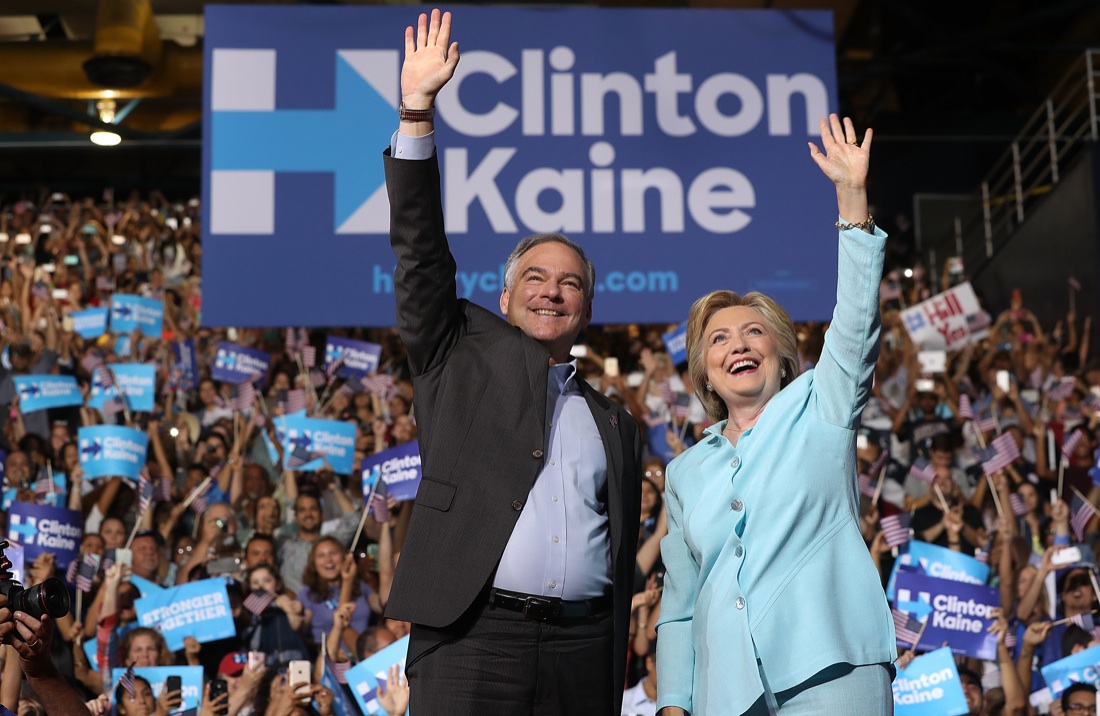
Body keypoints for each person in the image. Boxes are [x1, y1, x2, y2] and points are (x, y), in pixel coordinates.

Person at [383, 9, 641, 715]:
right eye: (535, 277)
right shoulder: (455, 354)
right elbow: (420, 251)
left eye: (570, 283)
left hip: (584, 650)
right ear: (504, 297)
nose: (552, 291)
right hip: (472, 639)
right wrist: (416, 113)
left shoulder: (616, 421)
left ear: (586, 307)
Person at [656, 115, 894, 715]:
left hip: (831, 671)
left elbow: (856, 324)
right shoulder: (684, 472)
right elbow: (680, 605)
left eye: (753, 332)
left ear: (782, 356)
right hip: (725, 694)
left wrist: (852, 199)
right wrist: (674, 703)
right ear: (705, 372)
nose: (737, 344)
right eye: (718, 339)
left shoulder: (822, 405)